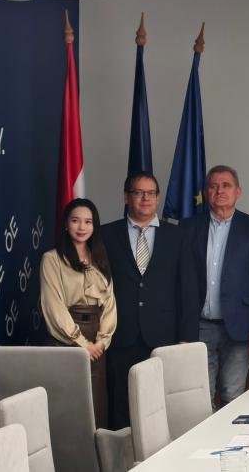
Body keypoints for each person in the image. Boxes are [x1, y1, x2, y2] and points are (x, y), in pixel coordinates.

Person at [102, 172, 199, 429]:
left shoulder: (177, 236)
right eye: (138, 192)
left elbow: (188, 290)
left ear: (157, 198)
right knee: (121, 407)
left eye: (151, 193)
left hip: (163, 337)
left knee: (159, 407)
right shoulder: (106, 235)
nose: (145, 198)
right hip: (120, 335)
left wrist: (186, 337)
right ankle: (123, 455)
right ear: (127, 197)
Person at [185, 165, 249, 406]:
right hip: (199, 326)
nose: (219, 191)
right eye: (213, 186)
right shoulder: (188, 227)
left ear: (238, 191)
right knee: (201, 397)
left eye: (226, 185)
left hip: (240, 327)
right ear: (206, 192)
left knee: (232, 394)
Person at [40, 198, 117, 428]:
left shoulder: (99, 258)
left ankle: (96, 452)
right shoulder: (52, 259)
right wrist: (82, 343)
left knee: (96, 405)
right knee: (68, 407)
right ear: (66, 224)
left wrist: (101, 342)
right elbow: (54, 306)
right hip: (67, 339)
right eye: (75, 221)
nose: (82, 227)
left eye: (88, 222)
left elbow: (110, 304)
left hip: (97, 342)